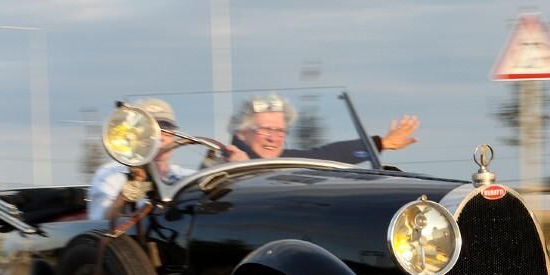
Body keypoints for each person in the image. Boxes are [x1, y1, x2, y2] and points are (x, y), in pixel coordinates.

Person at [88, 98, 246, 219]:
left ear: (174, 133)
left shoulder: (185, 177)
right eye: (152, 126)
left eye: (166, 126)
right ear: (134, 133)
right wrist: (128, 192)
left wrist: (236, 170)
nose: (160, 133)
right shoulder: (112, 174)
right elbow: (101, 224)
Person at [228, 93, 420, 163]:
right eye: (265, 130)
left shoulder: (283, 161)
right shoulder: (223, 160)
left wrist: (379, 143)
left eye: (279, 131)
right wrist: (238, 168)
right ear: (242, 134)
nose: (273, 138)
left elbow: (328, 155)